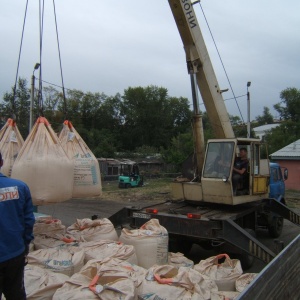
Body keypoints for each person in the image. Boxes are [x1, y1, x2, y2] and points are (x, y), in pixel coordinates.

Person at [0, 152, 35, 300]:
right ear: (2, 162)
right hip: (15, 253)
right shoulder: (20, 187)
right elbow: (29, 220)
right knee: (16, 293)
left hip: (12, 252)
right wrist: (26, 243)